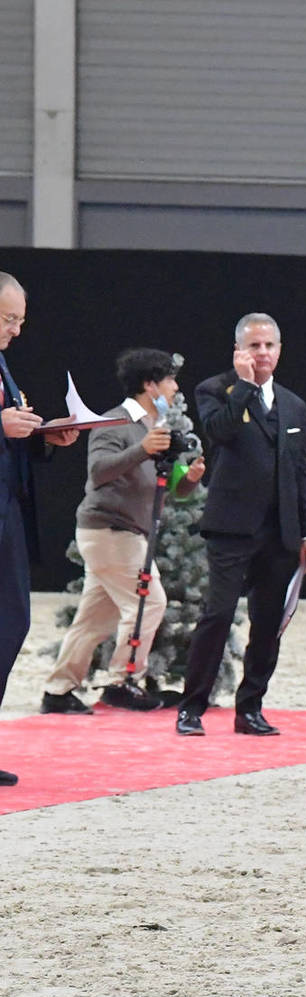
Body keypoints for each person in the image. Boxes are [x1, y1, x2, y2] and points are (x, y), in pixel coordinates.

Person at [175, 313, 306, 737]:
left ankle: (250, 707)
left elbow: (303, 472)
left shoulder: (294, 405)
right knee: (217, 615)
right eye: (254, 346)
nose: (262, 353)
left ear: (279, 350)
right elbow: (219, 432)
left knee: (269, 622)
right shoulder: (215, 391)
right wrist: (244, 388)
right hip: (231, 527)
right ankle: (191, 708)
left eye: (269, 345)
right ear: (239, 350)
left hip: (281, 532)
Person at [41, 349, 206, 713]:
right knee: (150, 602)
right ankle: (122, 682)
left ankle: (58, 691)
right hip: (111, 531)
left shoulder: (152, 425)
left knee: (95, 618)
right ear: (150, 384)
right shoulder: (115, 422)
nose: (176, 388)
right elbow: (99, 472)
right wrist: (141, 450)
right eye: (170, 380)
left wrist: (189, 480)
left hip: (119, 533)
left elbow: (171, 489)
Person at [1, 271, 82, 785]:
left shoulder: (3, 363)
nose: (15, 330)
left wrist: (47, 437)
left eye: (20, 321)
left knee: (12, 624)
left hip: (8, 514)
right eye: (9, 318)